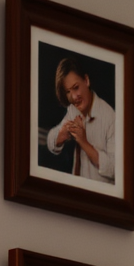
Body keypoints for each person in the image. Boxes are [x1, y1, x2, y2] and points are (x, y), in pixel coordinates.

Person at [45, 54, 115, 184]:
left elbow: (114, 169)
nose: (73, 97)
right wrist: (61, 135)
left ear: (86, 81)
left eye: (76, 87)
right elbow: (50, 141)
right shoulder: (73, 110)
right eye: (68, 92)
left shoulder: (110, 117)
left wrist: (84, 142)